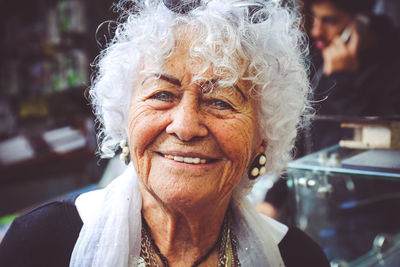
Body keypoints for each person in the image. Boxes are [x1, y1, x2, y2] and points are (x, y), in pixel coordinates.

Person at [0, 0, 329, 266]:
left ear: (263, 137)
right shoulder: (39, 245)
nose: (185, 127)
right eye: (162, 95)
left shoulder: (298, 258)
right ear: (125, 118)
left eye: (220, 101)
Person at [260, 0, 400, 220]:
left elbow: (373, 142)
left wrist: (342, 81)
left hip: (373, 210)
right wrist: (273, 200)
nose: (317, 31)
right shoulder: (322, 60)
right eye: (315, 20)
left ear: (363, 21)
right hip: (317, 204)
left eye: (330, 21)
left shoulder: (391, 67)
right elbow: (305, 140)